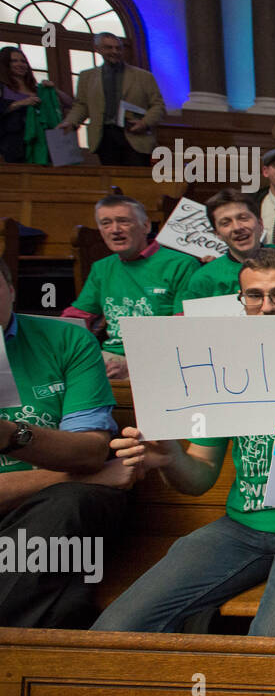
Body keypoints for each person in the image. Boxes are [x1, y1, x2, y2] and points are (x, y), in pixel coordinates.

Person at [92, 249, 275, 637]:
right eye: (254, 296)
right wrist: (170, 457)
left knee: (271, 643)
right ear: (241, 301)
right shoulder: (225, 362)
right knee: (115, 627)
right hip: (240, 526)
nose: (267, 307)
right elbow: (200, 476)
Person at [0, 259, 132, 628]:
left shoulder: (66, 339)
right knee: (63, 600)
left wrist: (10, 434)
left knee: (69, 506)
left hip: (58, 514)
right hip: (59, 503)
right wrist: (83, 476)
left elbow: (90, 453)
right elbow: (93, 471)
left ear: (11, 289)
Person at [61, 195, 199, 380]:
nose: (115, 230)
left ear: (146, 226)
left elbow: (182, 330)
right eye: (106, 223)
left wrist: (136, 366)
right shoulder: (102, 267)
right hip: (111, 357)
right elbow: (78, 316)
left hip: (164, 359)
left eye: (124, 221)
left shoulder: (182, 264)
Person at [177, 189, 275, 305]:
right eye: (225, 223)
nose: (237, 227)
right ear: (217, 234)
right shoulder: (203, 278)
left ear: (260, 223)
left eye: (243, 218)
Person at [57, 32, 165, 167]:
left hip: (135, 135)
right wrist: (71, 122)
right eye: (109, 48)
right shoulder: (87, 77)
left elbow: (158, 105)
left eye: (118, 48)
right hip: (104, 137)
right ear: (97, 49)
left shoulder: (144, 77)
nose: (115, 51)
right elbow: (82, 105)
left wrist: (144, 123)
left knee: (137, 181)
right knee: (111, 180)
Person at [1, 46, 71, 164]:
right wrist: (22, 103)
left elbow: (70, 103)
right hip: (15, 145)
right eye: (14, 61)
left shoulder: (38, 89)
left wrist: (54, 90)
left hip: (45, 145)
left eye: (23, 61)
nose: (20, 64)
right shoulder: (2, 88)